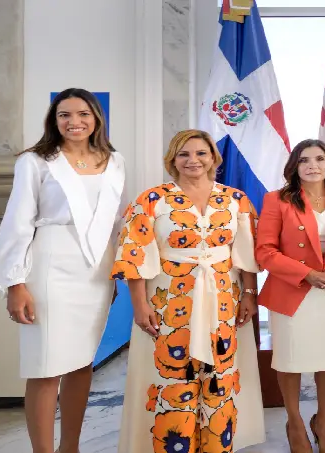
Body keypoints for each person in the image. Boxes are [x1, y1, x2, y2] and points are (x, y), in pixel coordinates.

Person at [0, 88, 126, 453]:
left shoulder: (114, 161)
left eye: (83, 114)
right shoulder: (35, 161)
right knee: (45, 366)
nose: (74, 121)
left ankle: (71, 447)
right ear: (54, 120)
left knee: (82, 363)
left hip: (96, 271)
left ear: (96, 119)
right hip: (50, 266)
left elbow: (116, 222)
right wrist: (15, 283)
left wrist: (115, 273)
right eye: (64, 114)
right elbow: (17, 222)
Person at [111, 129, 265, 452]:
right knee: (172, 375)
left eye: (201, 153)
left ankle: (216, 445)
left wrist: (250, 295)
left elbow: (247, 253)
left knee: (219, 373)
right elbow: (134, 255)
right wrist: (139, 305)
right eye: (184, 154)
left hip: (224, 300)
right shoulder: (151, 200)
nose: (193, 160)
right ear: (173, 159)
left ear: (213, 158)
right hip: (168, 302)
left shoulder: (235, 199)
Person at [255, 139, 325, 453]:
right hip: (292, 292)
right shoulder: (276, 200)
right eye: (304, 160)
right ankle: (294, 422)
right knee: (290, 361)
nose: (312, 166)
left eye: (319, 159)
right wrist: (306, 273)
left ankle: (323, 423)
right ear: (294, 166)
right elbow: (265, 251)